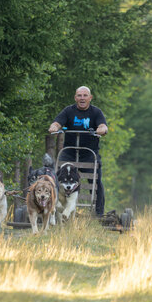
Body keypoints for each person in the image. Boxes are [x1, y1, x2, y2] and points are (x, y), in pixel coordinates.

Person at [48, 86, 108, 216]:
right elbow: (58, 122)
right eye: (79, 95)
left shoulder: (96, 112)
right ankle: (53, 206)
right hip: (69, 152)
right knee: (55, 175)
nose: (82, 98)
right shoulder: (68, 111)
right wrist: (54, 126)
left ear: (90, 98)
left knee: (96, 181)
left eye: (85, 95)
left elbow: (102, 125)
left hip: (89, 153)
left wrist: (101, 129)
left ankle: (98, 213)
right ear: (75, 98)